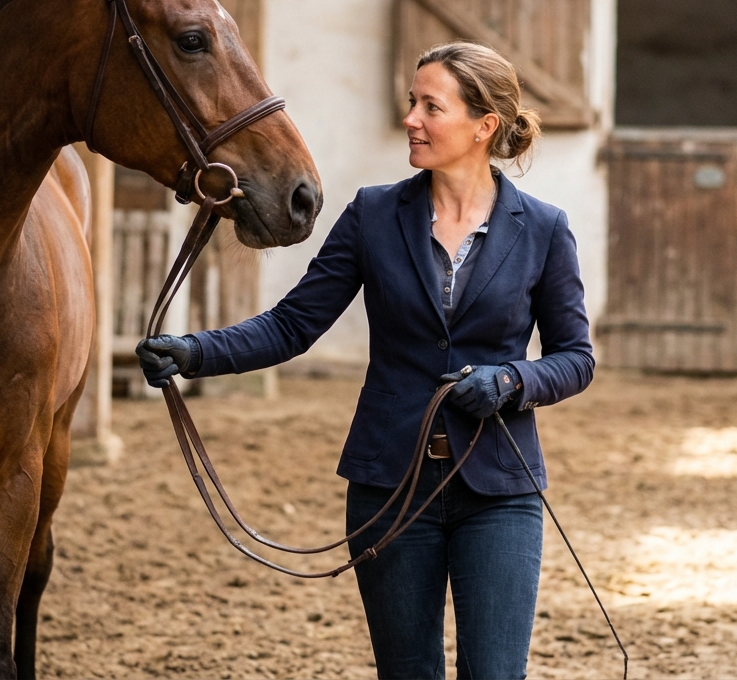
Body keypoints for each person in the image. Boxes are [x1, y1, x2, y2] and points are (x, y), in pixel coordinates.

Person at [136, 41, 594, 680]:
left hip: (499, 490)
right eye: (412, 103)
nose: (411, 119)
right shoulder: (373, 214)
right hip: (388, 487)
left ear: (484, 125)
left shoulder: (543, 228)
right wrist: (195, 352)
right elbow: (293, 326)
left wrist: (513, 380)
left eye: (431, 106)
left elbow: (576, 357)